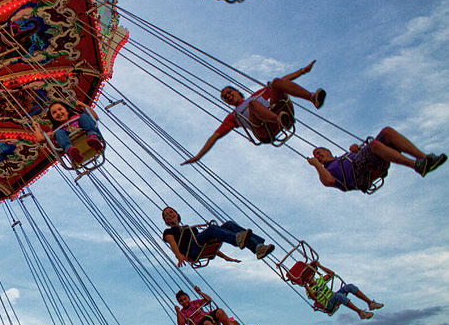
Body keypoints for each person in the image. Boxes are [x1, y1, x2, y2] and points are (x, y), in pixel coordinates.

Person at [182, 61, 325, 164]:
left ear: (237, 91)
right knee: (253, 105)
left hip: (278, 113)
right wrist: (198, 156)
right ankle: (279, 119)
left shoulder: (257, 94)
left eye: (229, 92)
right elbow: (214, 137)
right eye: (225, 97)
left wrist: (303, 71)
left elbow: (284, 81)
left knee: (275, 82)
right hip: (264, 130)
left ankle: (312, 98)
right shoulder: (233, 116)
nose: (228, 96)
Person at [308, 127, 446, 192]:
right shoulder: (327, 170)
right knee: (373, 145)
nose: (318, 157)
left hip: (363, 163)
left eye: (319, 153)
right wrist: (316, 165)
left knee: (387, 132)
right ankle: (415, 165)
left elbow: (364, 156)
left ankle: (425, 159)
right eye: (317, 157)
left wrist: (358, 150)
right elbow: (329, 181)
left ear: (328, 151)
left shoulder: (343, 158)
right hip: (359, 175)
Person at [161, 206, 274, 266]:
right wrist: (178, 256)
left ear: (176, 214)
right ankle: (237, 239)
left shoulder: (190, 229)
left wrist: (225, 257)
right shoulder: (168, 232)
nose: (169, 215)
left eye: (171, 212)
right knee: (212, 229)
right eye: (166, 215)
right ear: (165, 220)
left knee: (229, 224)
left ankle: (258, 248)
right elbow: (172, 243)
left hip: (198, 245)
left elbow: (203, 242)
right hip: (191, 251)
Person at [301, 261, 383, 319]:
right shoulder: (309, 289)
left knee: (349, 286)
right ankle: (360, 312)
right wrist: (305, 286)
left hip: (333, 297)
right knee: (338, 296)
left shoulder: (320, 280)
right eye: (307, 278)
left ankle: (370, 303)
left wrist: (319, 266)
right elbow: (313, 297)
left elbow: (331, 274)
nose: (310, 278)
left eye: (310, 276)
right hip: (328, 304)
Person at [31, 101, 103, 165]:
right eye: (54, 113)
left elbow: (94, 117)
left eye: (60, 109)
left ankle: (92, 136)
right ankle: (71, 150)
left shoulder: (77, 117)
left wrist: (82, 104)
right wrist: (36, 128)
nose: (58, 113)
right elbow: (40, 139)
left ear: (67, 111)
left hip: (86, 133)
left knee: (84, 116)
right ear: (52, 118)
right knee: (58, 133)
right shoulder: (57, 130)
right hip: (73, 143)